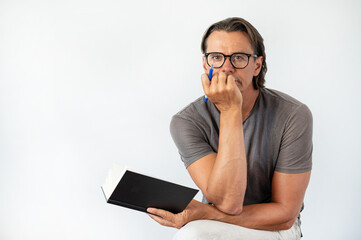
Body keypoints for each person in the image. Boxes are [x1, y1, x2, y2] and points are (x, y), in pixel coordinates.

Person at [148, 17, 312, 240]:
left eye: (238, 58)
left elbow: (285, 214)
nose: (227, 67)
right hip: (217, 221)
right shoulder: (187, 121)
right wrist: (230, 112)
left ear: (256, 65)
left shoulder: (293, 115)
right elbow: (227, 202)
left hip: (275, 227)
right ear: (206, 65)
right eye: (216, 57)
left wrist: (205, 213)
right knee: (191, 235)